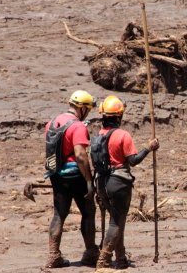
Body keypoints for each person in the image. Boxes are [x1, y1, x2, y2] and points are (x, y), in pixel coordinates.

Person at [91, 95, 159, 269]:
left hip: (101, 182)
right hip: (118, 183)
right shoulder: (123, 135)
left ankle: (121, 258)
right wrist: (149, 148)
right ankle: (104, 259)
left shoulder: (98, 135)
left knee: (117, 219)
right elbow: (133, 160)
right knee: (116, 221)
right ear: (119, 116)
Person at [44, 90, 99, 268]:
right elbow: (81, 155)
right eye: (88, 109)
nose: (88, 112)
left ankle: (53, 255)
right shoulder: (78, 127)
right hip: (76, 175)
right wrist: (89, 182)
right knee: (88, 211)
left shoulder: (51, 123)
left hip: (56, 175)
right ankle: (91, 253)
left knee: (59, 215)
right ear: (82, 108)